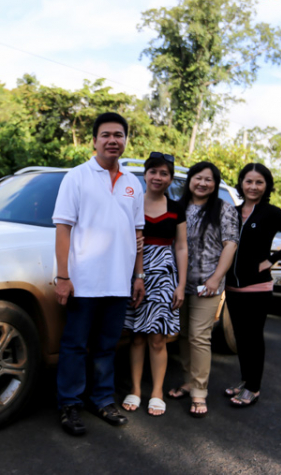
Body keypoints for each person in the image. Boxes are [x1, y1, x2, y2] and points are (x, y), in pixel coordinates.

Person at [52, 112, 146, 436]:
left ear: (125, 140)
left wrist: (138, 276)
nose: (112, 140)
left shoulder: (134, 184)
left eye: (118, 135)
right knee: (75, 345)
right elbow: (63, 228)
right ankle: (69, 405)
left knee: (107, 346)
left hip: (119, 283)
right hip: (84, 282)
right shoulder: (77, 177)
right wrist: (63, 277)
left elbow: (137, 236)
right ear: (94, 140)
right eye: (105, 135)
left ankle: (103, 399)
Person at [224, 163, 281, 407]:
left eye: (259, 182)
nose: (253, 186)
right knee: (240, 337)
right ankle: (244, 380)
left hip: (258, 287)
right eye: (248, 181)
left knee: (253, 337)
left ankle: (254, 387)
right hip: (232, 286)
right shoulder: (232, 211)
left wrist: (271, 260)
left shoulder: (271, 213)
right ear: (241, 183)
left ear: (266, 186)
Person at [167, 162, 239, 418]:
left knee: (199, 336)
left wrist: (216, 278)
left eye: (209, 179)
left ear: (215, 184)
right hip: (179, 283)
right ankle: (188, 381)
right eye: (198, 178)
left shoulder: (224, 209)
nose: (203, 183)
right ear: (190, 180)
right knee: (184, 334)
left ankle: (199, 392)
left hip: (208, 283)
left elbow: (230, 245)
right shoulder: (178, 206)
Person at [122, 152, 187, 417]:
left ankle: (157, 392)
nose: (158, 177)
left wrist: (181, 284)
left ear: (170, 178)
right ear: (145, 175)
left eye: (164, 173)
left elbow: (181, 247)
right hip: (133, 274)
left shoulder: (176, 209)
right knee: (136, 337)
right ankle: (136, 390)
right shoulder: (132, 204)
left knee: (157, 339)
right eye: (153, 172)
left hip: (164, 277)